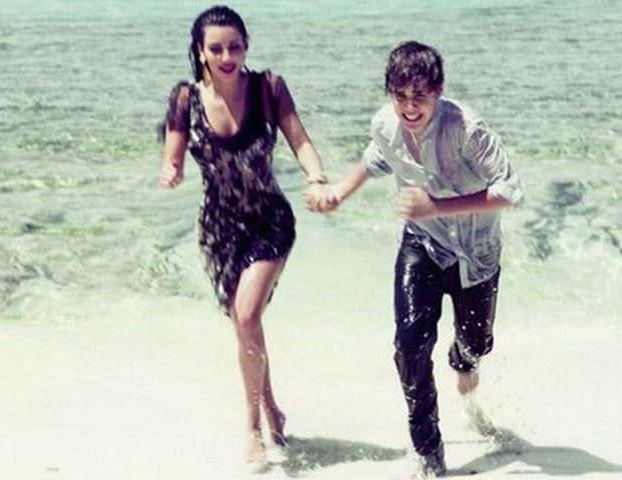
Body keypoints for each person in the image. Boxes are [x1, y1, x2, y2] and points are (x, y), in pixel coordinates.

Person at [306, 40, 523, 477]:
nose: (409, 107)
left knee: (475, 345)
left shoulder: (466, 129)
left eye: (419, 96)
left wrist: (435, 206)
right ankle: (428, 451)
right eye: (400, 95)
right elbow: (376, 159)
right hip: (422, 245)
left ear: (438, 91)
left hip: (475, 255)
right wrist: (339, 193)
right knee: (409, 344)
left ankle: (463, 361)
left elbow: (510, 191)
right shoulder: (385, 123)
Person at [159, 5, 330, 466]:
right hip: (218, 229)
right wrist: (171, 170)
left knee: (248, 312)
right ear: (201, 52)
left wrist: (316, 177)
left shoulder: (268, 88)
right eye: (216, 49)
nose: (227, 56)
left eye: (235, 47)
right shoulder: (185, 99)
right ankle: (273, 409)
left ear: (246, 47)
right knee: (245, 324)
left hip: (268, 219)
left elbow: (300, 140)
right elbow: (173, 154)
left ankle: (253, 427)